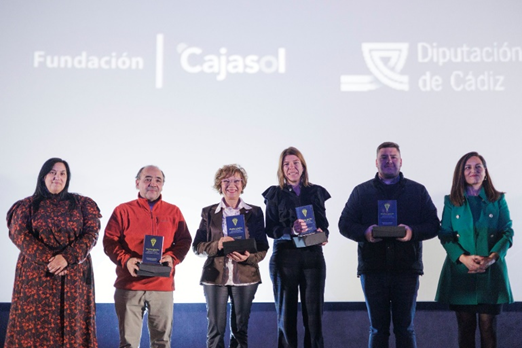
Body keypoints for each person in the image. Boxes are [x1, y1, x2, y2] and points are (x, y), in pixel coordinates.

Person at [339, 142, 439, 348]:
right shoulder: (361, 192)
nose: (389, 161)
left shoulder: (417, 191)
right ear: (376, 162)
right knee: (377, 330)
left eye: (393, 157)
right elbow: (344, 224)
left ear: (401, 161)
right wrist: (365, 233)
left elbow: (433, 225)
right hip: (373, 270)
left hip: (406, 270)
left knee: (406, 329)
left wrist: (412, 232)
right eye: (384, 157)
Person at [5, 158, 101, 348]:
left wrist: (66, 258)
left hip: (74, 278)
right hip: (37, 278)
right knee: (33, 326)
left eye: (62, 173)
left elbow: (91, 234)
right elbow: (19, 235)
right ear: (43, 176)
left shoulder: (83, 204)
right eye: (53, 172)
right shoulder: (26, 206)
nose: (57, 177)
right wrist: (51, 260)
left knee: (73, 327)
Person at [103, 165, 192, 348]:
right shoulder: (122, 210)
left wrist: (173, 257)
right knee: (128, 343)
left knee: (162, 342)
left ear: (162, 185)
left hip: (162, 287)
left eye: (158, 180)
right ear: (137, 183)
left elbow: (184, 240)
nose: (153, 184)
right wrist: (126, 260)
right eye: (148, 179)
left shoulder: (173, 212)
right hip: (129, 285)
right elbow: (109, 242)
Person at [435, 152, 513, 348]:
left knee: (488, 328)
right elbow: (445, 234)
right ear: (461, 173)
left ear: (485, 172)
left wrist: (492, 258)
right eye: (468, 167)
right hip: (462, 272)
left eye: (478, 167)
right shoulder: (451, 201)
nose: (473, 171)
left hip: (490, 272)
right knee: (466, 328)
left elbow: (507, 232)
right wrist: (463, 258)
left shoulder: (498, 199)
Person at [193, 164, 269, 348]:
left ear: (243, 184)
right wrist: (218, 244)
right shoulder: (209, 212)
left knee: (240, 331)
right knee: (215, 331)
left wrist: (247, 258)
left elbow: (262, 247)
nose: (231, 185)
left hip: (246, 277)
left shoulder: (255, 212)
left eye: (236, 180)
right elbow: (197, 246)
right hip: (215, 278)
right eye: (226, 181)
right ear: (220, 185)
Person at [262, 146, 330, 348]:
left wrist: (322, 234)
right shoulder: (275, 194)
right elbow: (270, 228)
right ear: (281, 169)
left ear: (303, 166)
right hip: (285, 257)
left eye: (295, 163)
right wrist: (291, 229)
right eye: (286, 164)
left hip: (312, 256)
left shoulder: (316, 192)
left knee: (314, 318)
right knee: (286, 317)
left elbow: (324, 225)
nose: (291, 167)